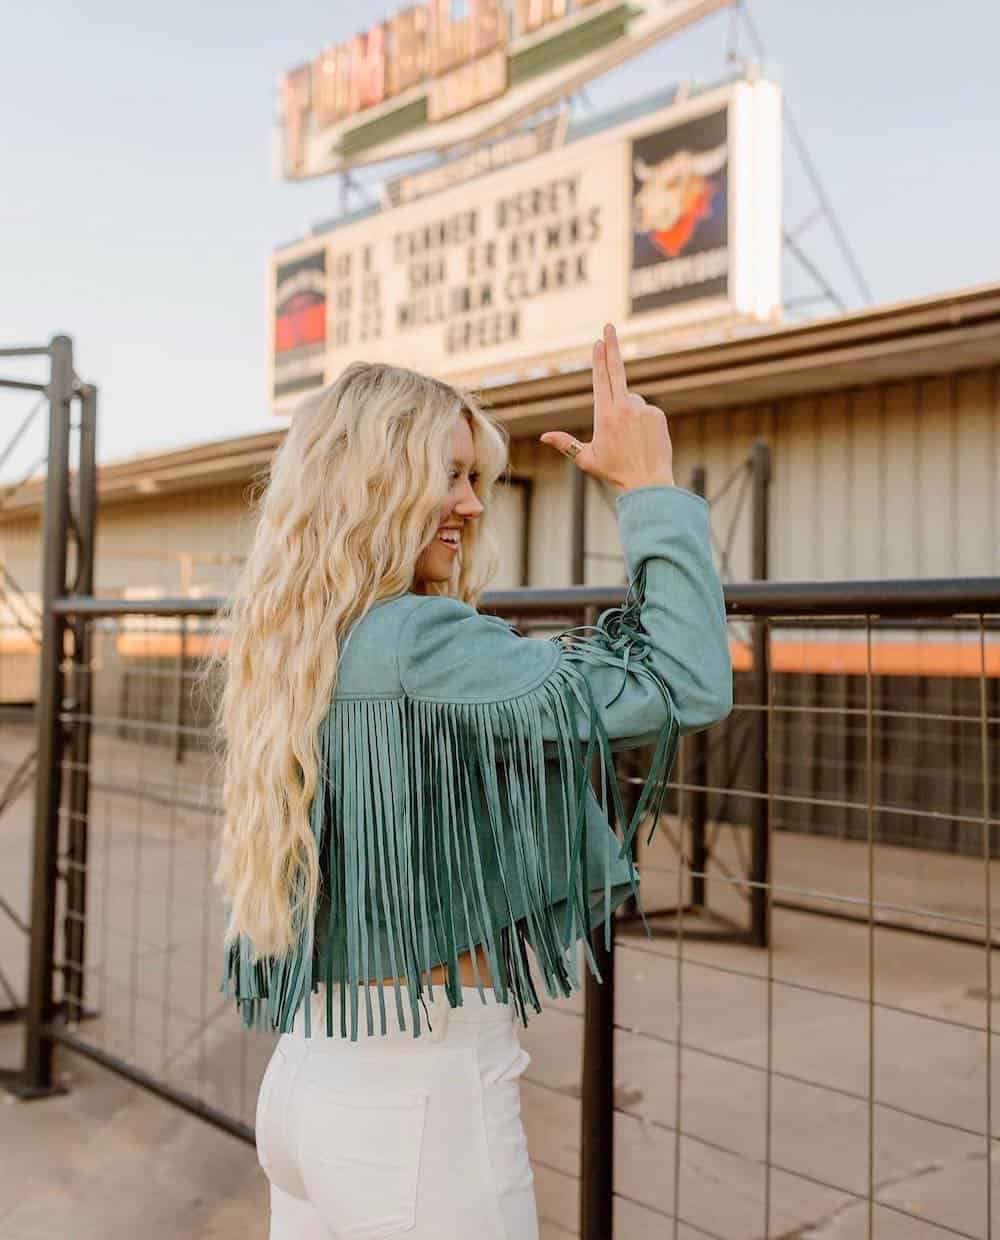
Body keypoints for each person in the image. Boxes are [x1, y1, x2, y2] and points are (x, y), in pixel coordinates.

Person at [210, 322, 732, 1238]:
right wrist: (650, 489)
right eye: (449, 476)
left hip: (310, 1081)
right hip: (419, 1098)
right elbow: (684, 680)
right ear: (377, 484)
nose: (472, 504)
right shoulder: (419, 639)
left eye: (474, 478)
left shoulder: (300, 641)